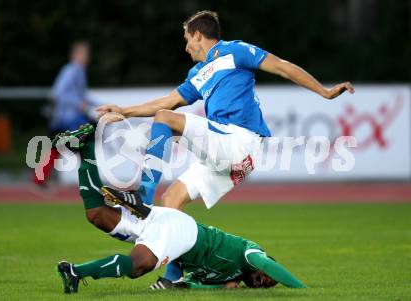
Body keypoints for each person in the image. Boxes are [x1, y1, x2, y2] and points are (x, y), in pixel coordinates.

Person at [94, 10, 354, 284]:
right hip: (229, 156)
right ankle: (173, 278)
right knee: (171, 201)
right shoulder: (197, 73)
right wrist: (125, 110)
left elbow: (282, 66)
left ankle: (143, 195)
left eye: (187, 39)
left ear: (198, 34)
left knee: (165, 121)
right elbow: (169, 100)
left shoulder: (234, 51)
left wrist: (324, 92)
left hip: (240, 141)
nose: (186, 47)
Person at [53, 127, 306, 294]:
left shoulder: (229, 279)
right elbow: (269, 266)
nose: (266, 281)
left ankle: (85, 148)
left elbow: (191, 284)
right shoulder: (250, 253)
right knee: (139, 266)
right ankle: (76, 272)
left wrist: (220, 288)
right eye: (268, 277)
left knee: (96, 214)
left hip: (170, 228)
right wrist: (303, 290)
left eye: (265, 285)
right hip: (183, 233)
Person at [32, 41, 93, 186]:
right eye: (84, 54)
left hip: (66, 119)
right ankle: (90, 180)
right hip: (66, 119)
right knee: (85, 145)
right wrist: (77, 103)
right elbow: (58, 93)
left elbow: (80, 97)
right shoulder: (72, 70)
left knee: (56, 148)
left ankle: (38, 180)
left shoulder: (78, 71)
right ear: (75, 55)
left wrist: (97, 104)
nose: (87, 57)